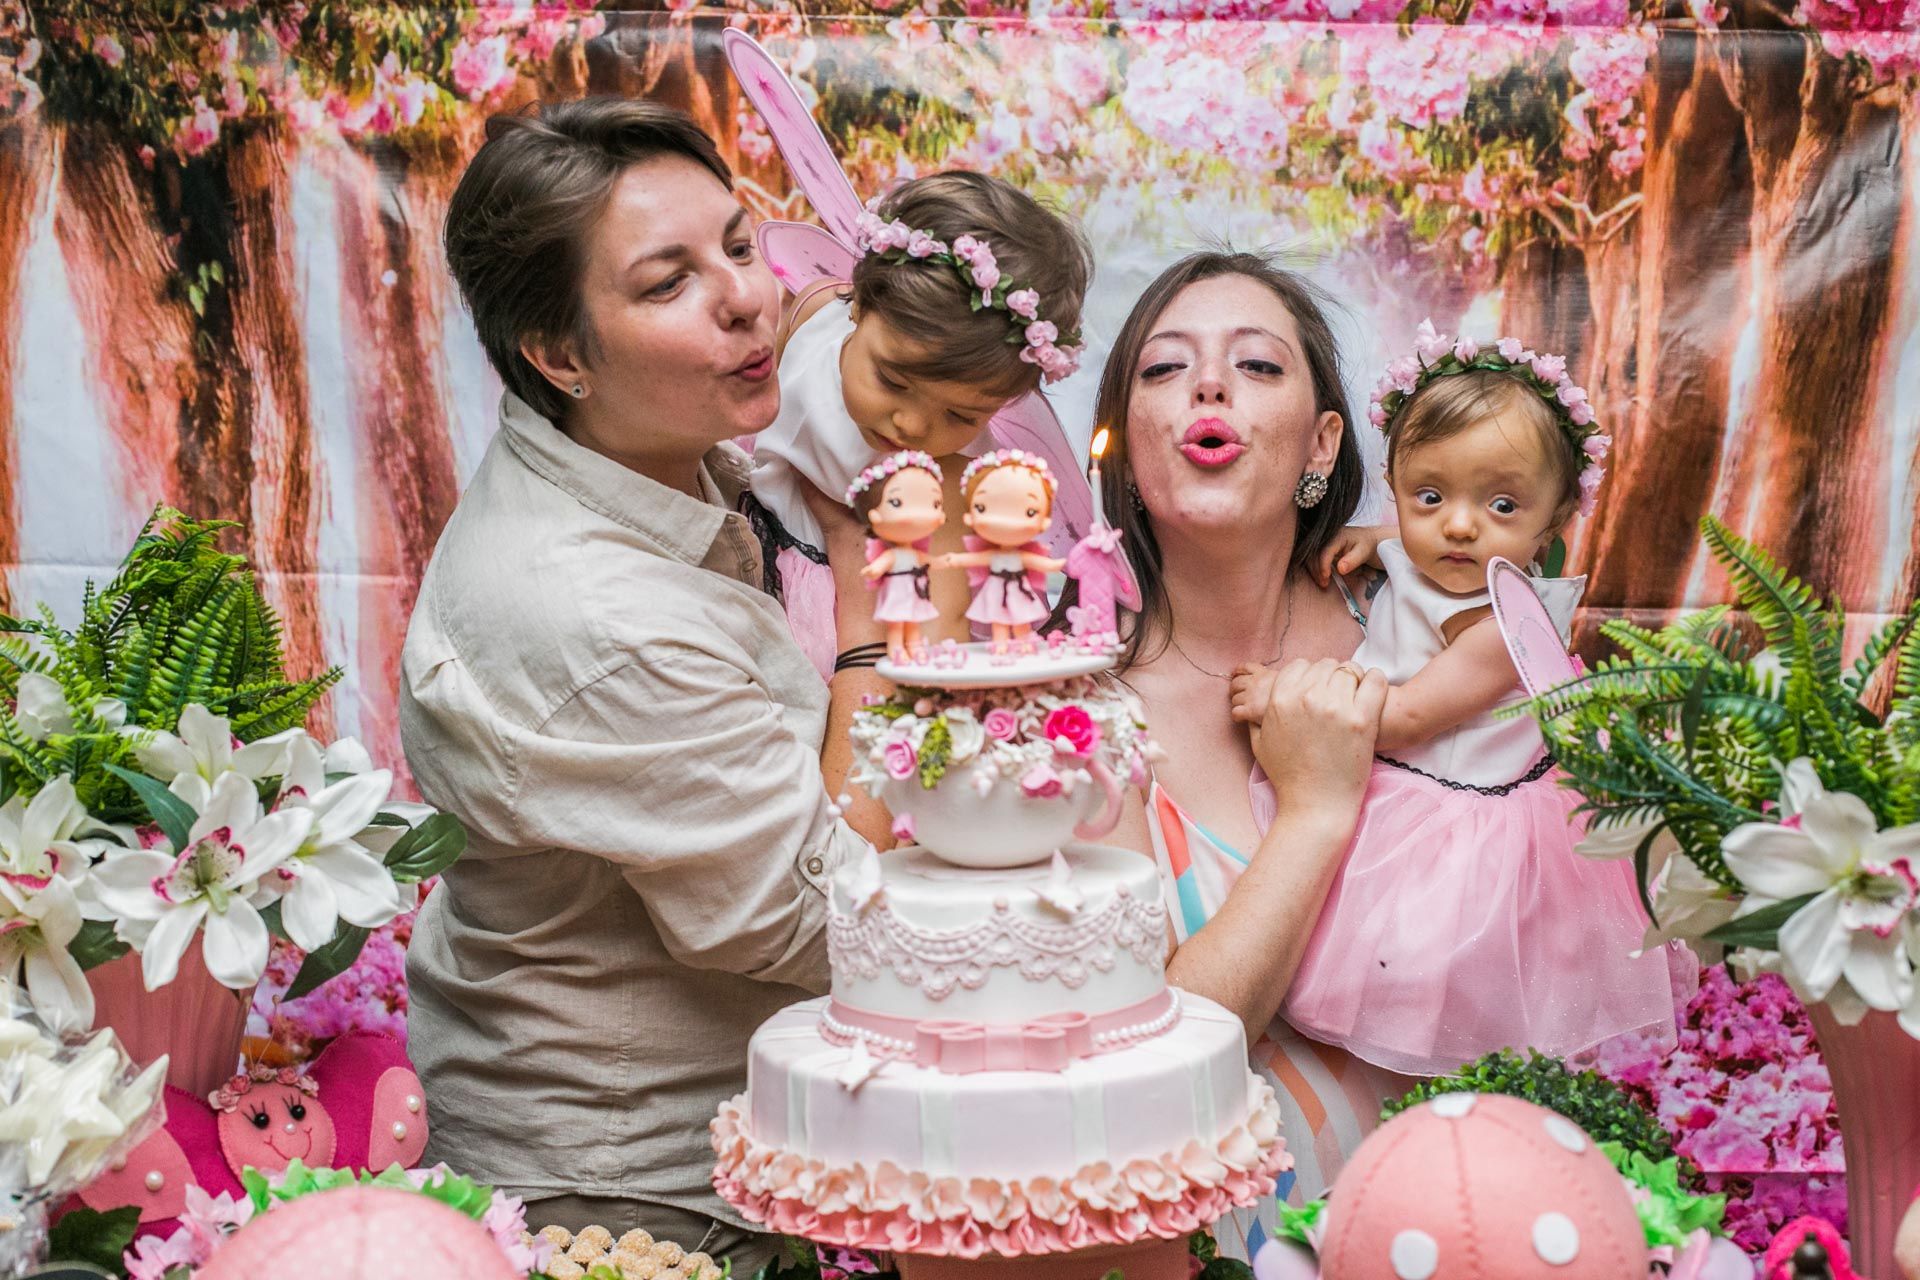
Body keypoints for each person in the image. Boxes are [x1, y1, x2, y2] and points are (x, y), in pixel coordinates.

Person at [398, 98, 886, 1272]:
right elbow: (828, 919)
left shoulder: (664, 447)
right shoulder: (595, 614)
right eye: (668, 283)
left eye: (735, 243)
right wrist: (872, 621)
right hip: (642, 1204)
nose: (747, 296)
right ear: (559, 354)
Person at [1054, 250, 1404, 1257]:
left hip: (1460, 1215)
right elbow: (1158, 1057)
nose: (1209, 384)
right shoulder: (1079, 717)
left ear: (1323, 441)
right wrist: (1314, 811)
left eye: (1256, 366)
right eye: (1165, 369)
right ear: (1121, 447)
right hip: (1214, 1244)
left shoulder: (1421, 641)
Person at [1232, 323, 1675, 1077]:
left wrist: (1287, 691)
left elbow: (1403, 721)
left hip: (1468, 822)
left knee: (1446, 966)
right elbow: (1425, 539)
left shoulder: (1505, 624)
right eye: (1428, 494)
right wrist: (1382, 538)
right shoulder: (1440, 549)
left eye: (1503, 506)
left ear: (1554, 524)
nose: (1460, 525)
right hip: (1431, 791)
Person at [745, 171, 1092, 675]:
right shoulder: (814, 310)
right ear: (860, 304)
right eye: (892, 380)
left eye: (960, 415)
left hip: (835, 624)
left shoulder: (945, 483)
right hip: (751, 538)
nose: (910, 426)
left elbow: (934, 650)